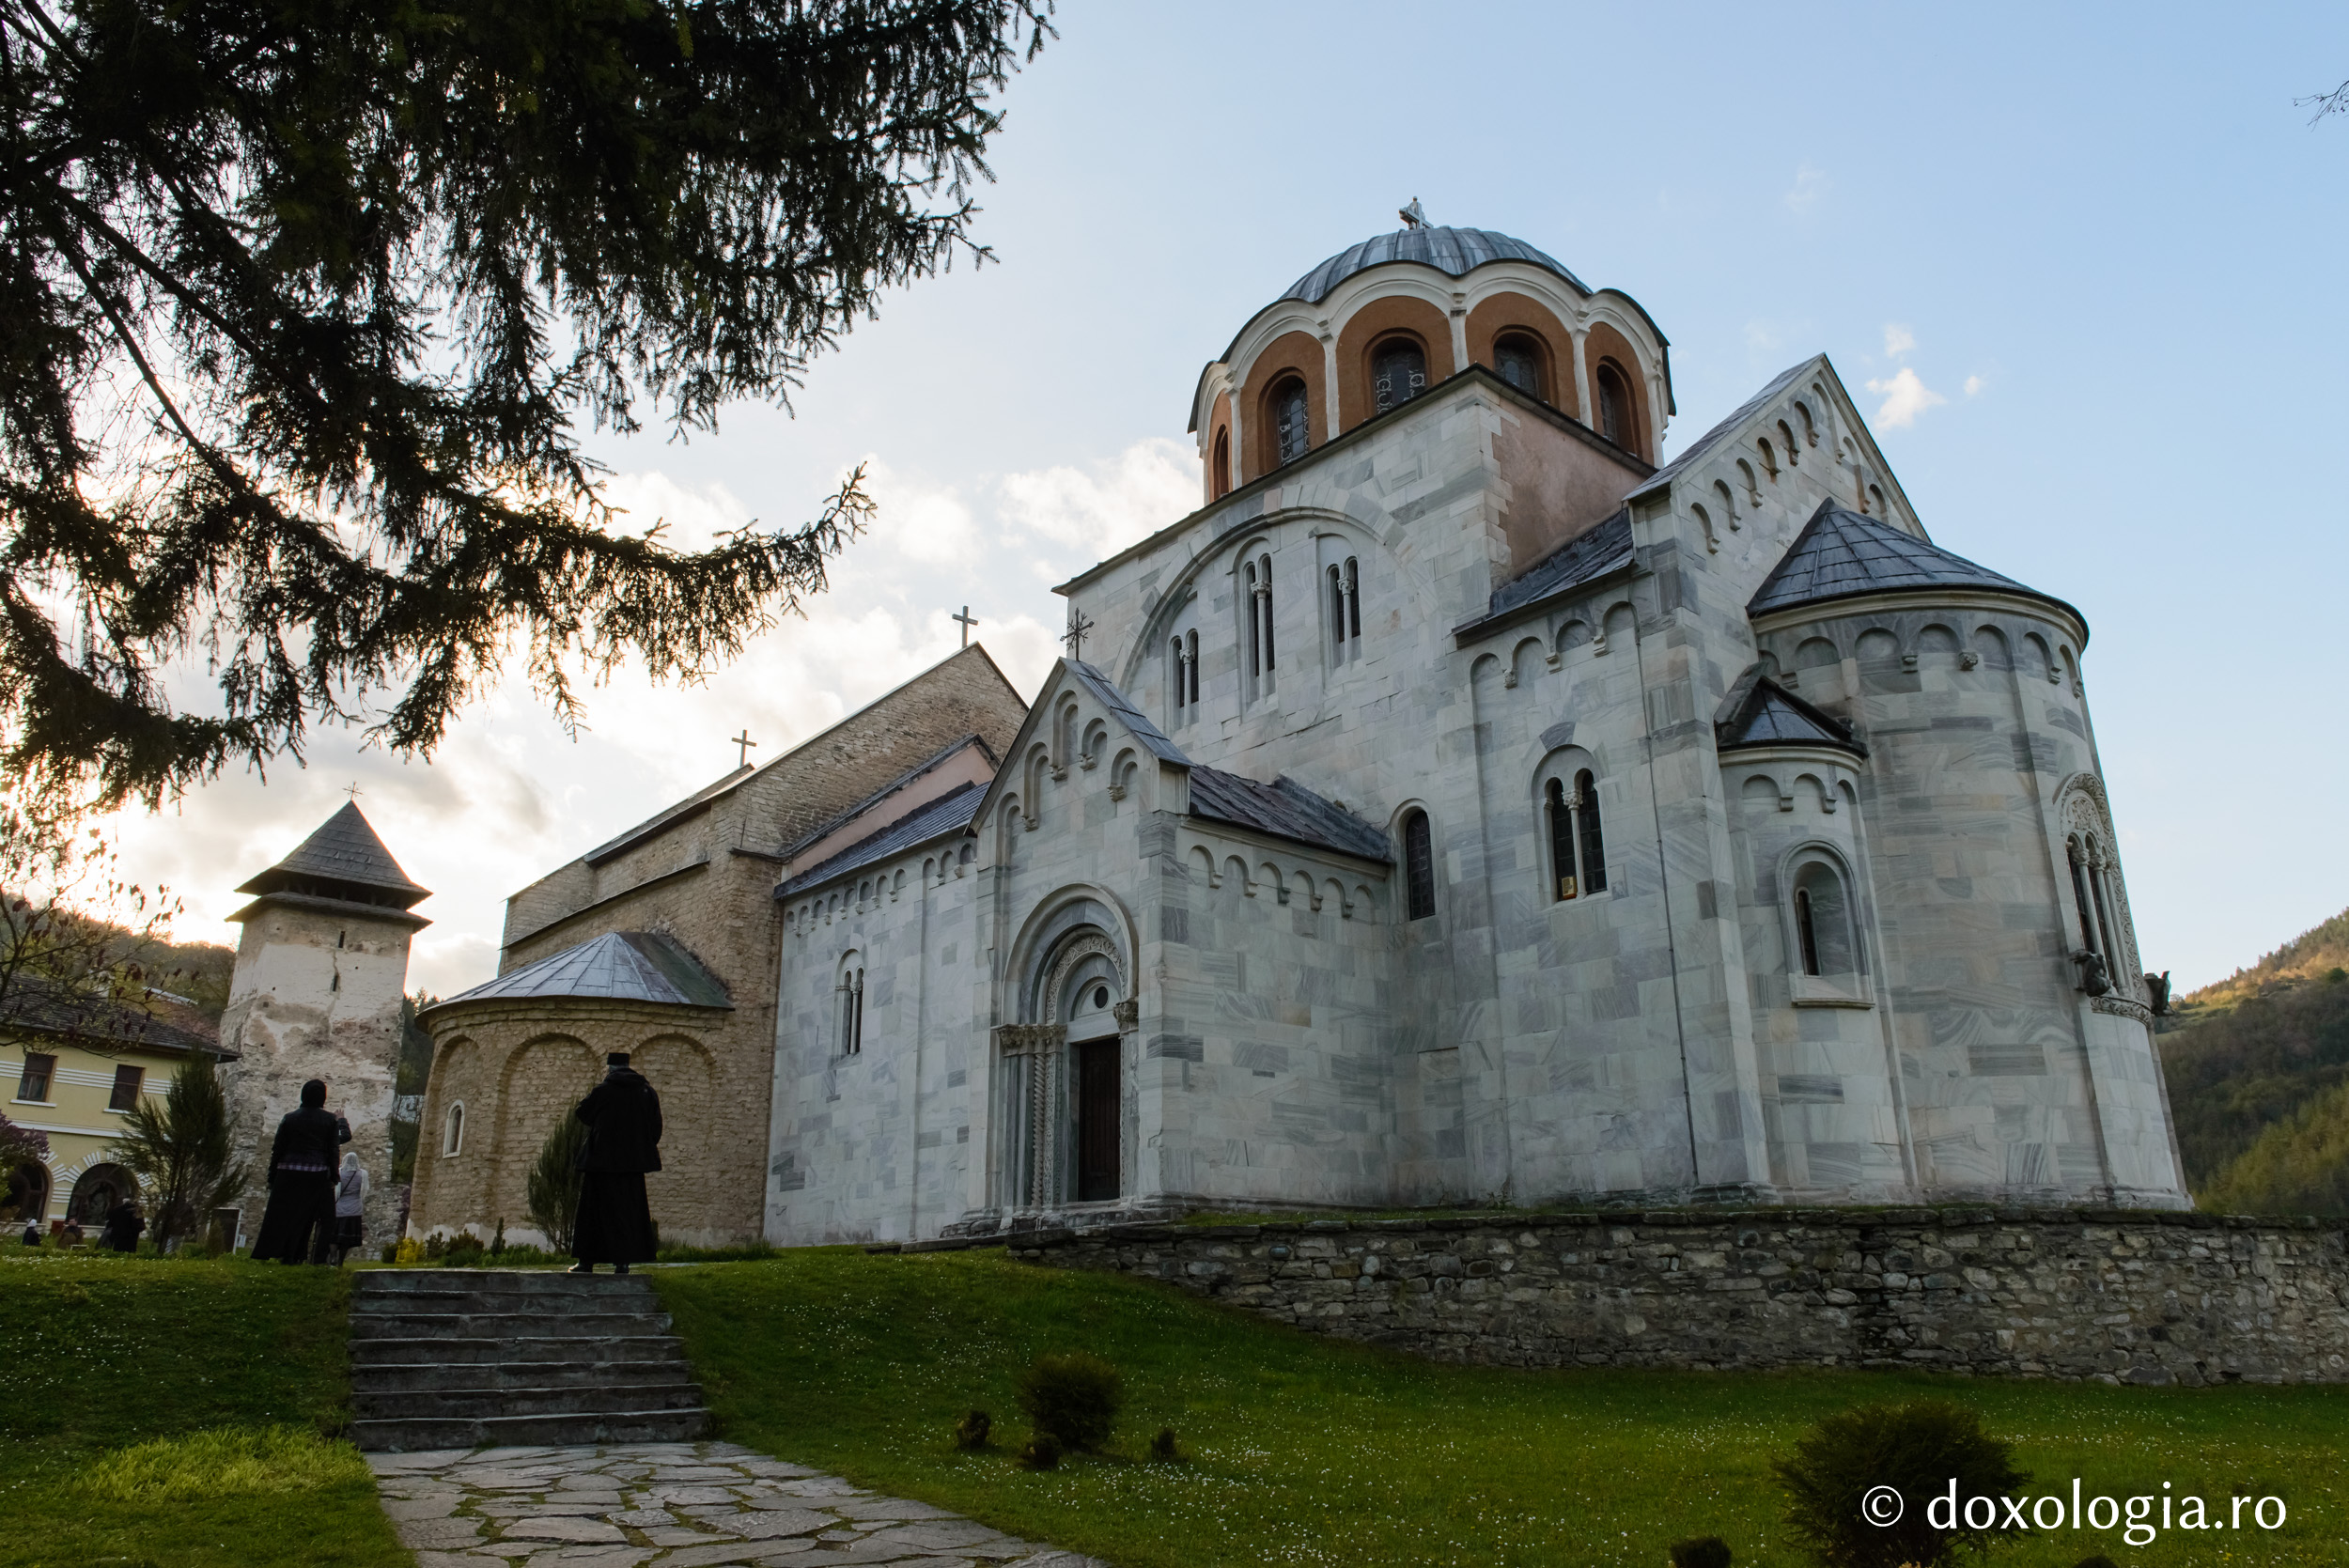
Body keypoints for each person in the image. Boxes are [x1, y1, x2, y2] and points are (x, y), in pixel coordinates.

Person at [568, 1052, 661, 1275]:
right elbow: (655, 1127)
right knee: (627, 1213)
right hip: (631, 1166)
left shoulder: (604, 1090)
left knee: (593, 1213)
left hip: (601, 1163)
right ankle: (623, 1263)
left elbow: (583, 1113)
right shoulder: (646, 1092)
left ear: (610, 1069)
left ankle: (586, 1262)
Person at [251, 1079, 350, 1264]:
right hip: (317, 1173)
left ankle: (281, 1253)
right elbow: (333, 1149)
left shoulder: (290, 1118)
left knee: (285, 1216)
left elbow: (278, 1148)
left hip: (288, 1173)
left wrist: (272, 1176)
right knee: (322, 1218)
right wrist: (334, 1176)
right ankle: (316, 1259)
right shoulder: (329, 1120)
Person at [330, 1152, 367, 1265]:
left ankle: (332, 1258)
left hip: (338, 1209)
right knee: (347, 1238)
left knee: (333, 1237)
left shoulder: (339, 1173)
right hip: (354, 1210)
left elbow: (335, 1191)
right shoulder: (363, 1174)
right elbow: (364, 1191)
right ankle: (341, 1261)